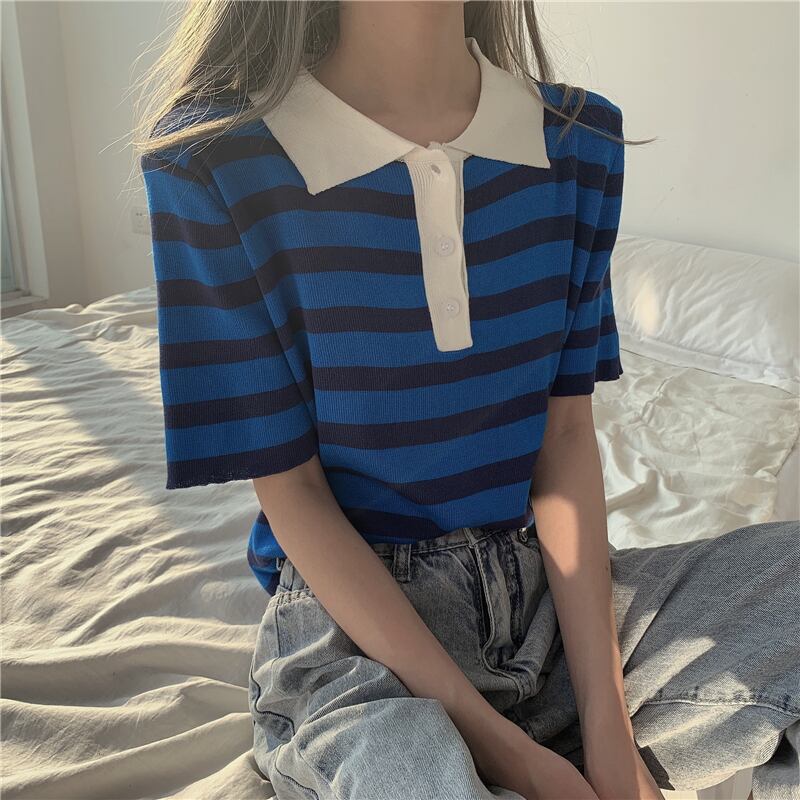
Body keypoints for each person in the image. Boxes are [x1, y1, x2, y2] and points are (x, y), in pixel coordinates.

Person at [135, 2, 800, 798]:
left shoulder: (579, 143)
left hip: (546, 608)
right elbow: (293, 490)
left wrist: (608, 734)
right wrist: (511, 755)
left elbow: (564, 438)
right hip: (355, 647)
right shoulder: (210, 162)